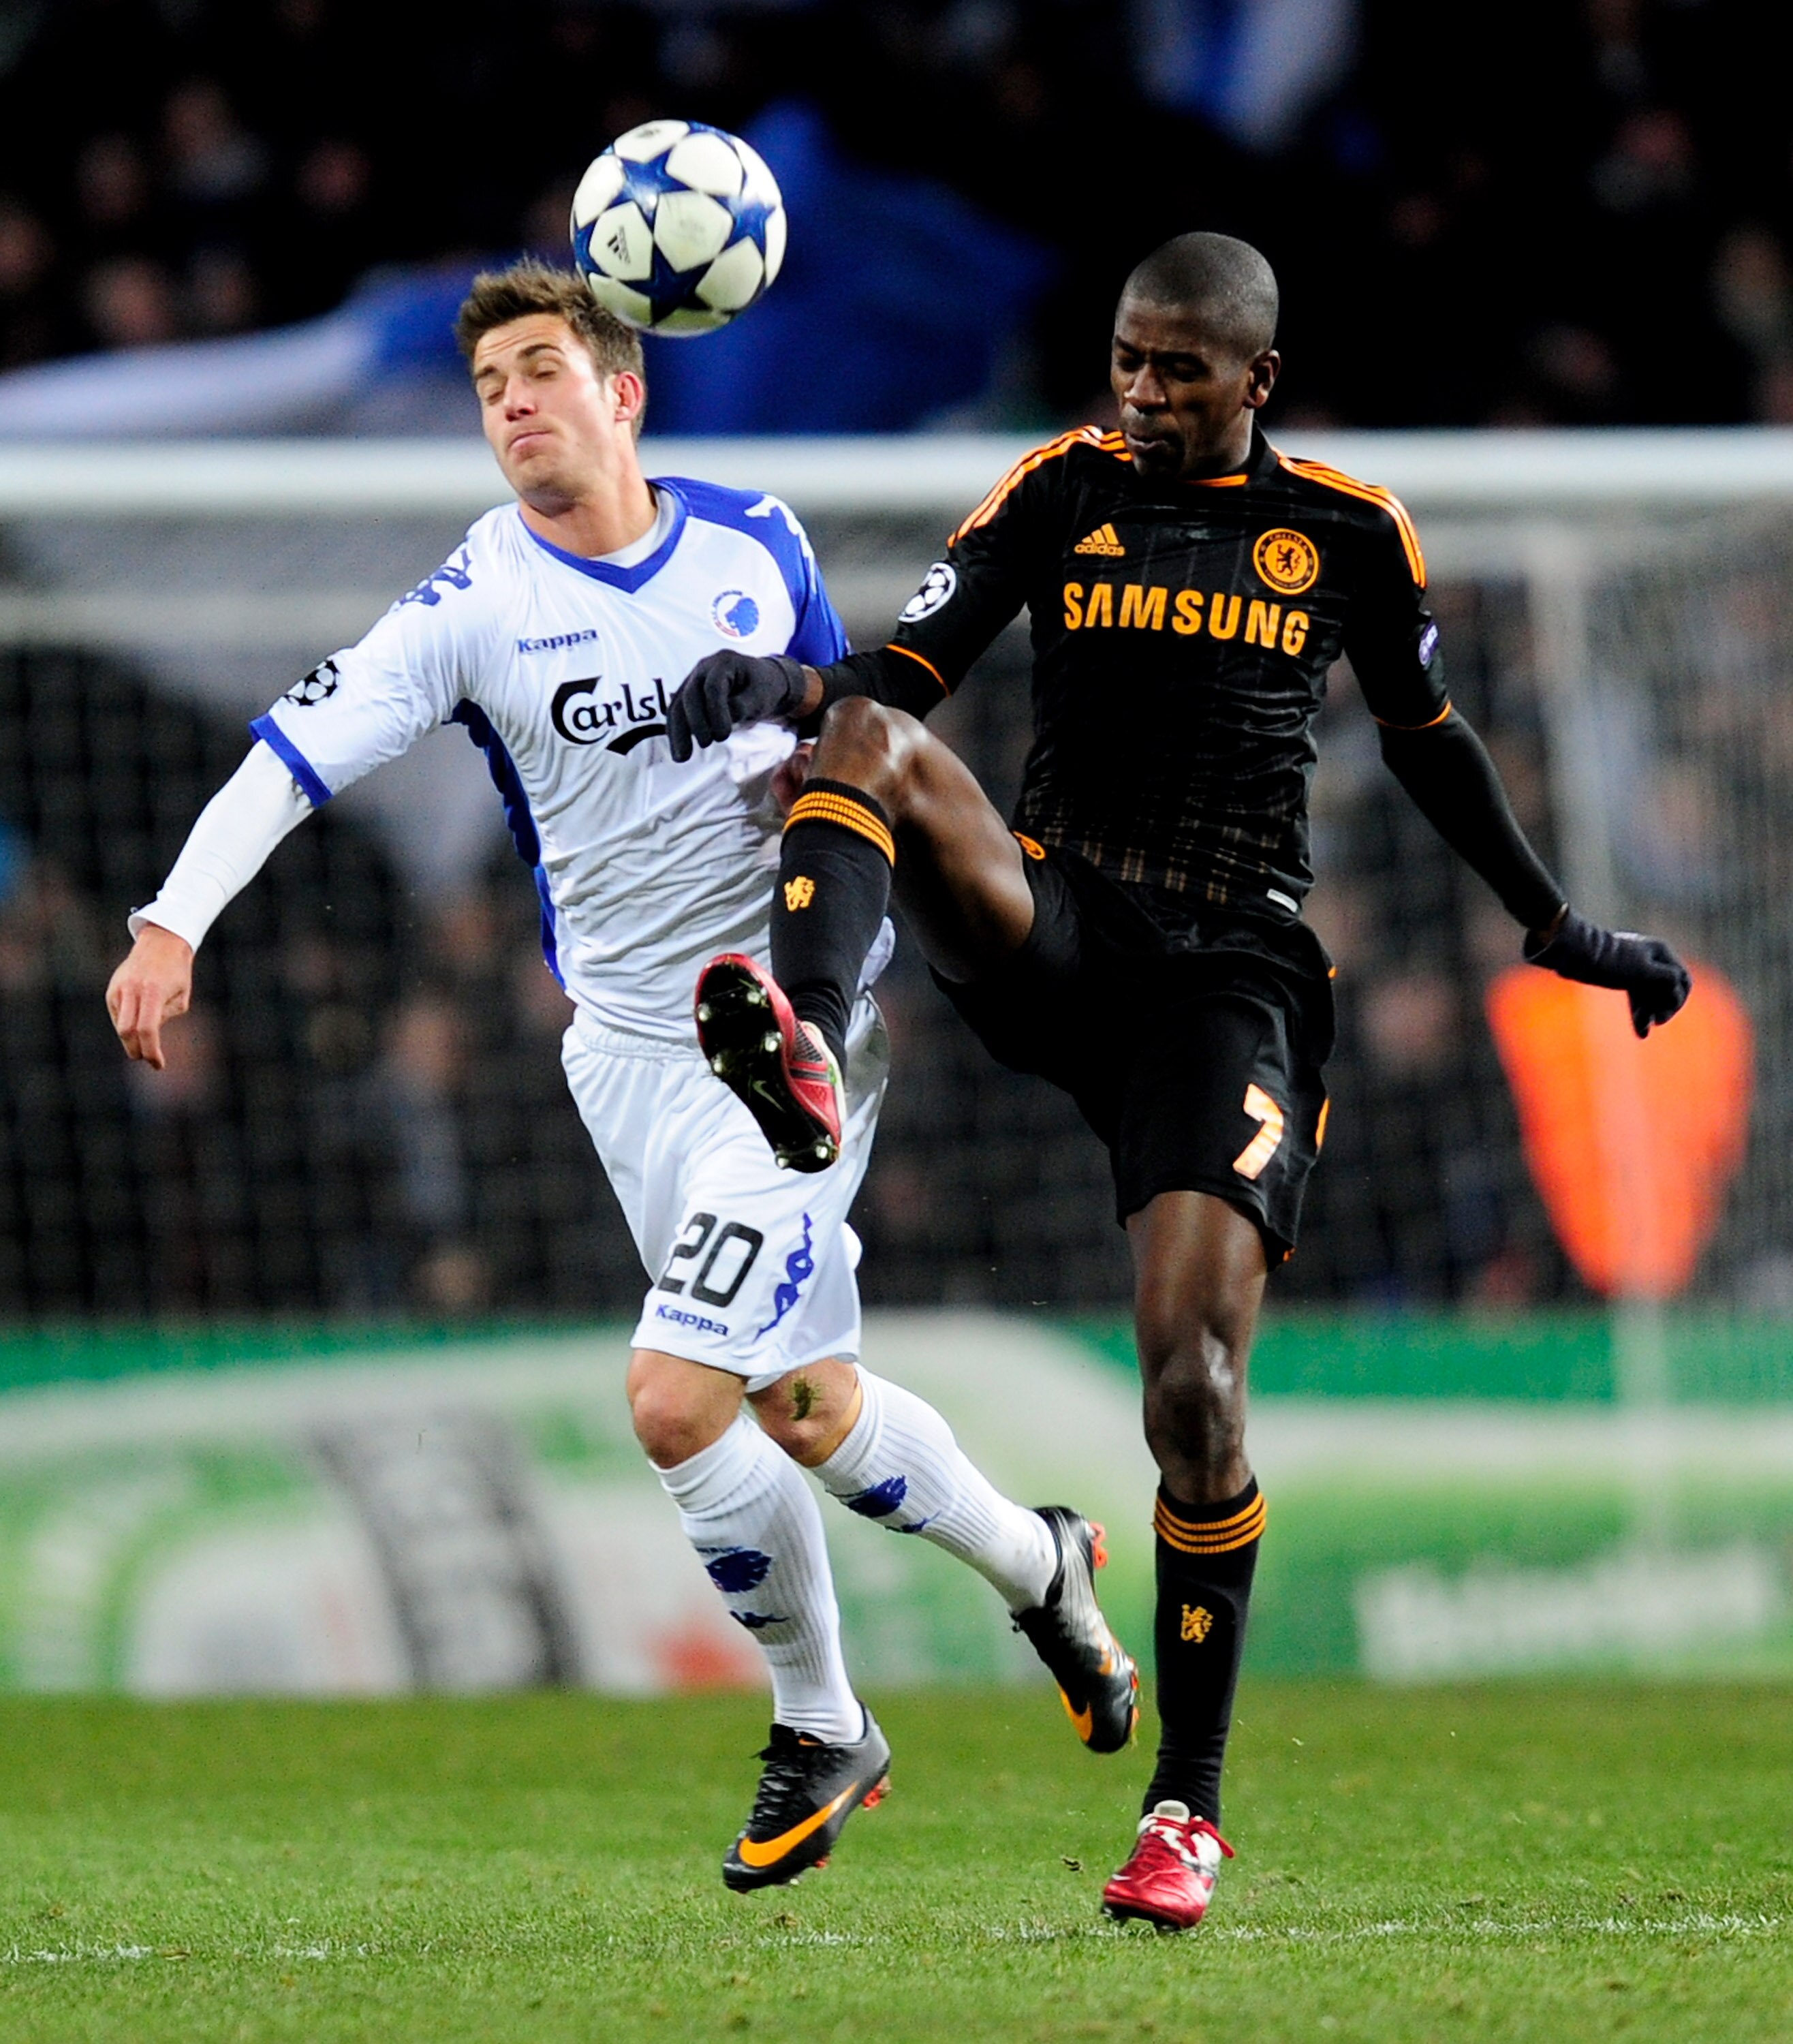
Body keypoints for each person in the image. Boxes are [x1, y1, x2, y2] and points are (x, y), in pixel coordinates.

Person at [666, 231, 1692, 1929]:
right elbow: (900, 679)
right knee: (859, 750)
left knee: (1193, 1390)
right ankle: (798, 1046)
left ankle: (1182, 1814)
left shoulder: (1347, 536)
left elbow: (1428, 744)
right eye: (1127, 361)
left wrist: (1553, 925)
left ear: (1253, 381)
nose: (1141, 393)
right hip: (1056, 919)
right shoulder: (1055, 492)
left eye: (1177, 369)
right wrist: (785, 684)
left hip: (1230, 987)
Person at [104, 258, 1138, 1892]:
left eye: (538, 373)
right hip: (628, 1058)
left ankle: (820, 1721)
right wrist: (172, 919)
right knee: (799, 1405)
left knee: (672, 1399)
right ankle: (1041, 1564)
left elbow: (858, 737)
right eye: (488, 390)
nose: (512, 407)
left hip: (791, 1022)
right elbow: (291, 753)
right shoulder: (470, 607)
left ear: (622, 392)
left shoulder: (752, 540)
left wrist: (800, 727)